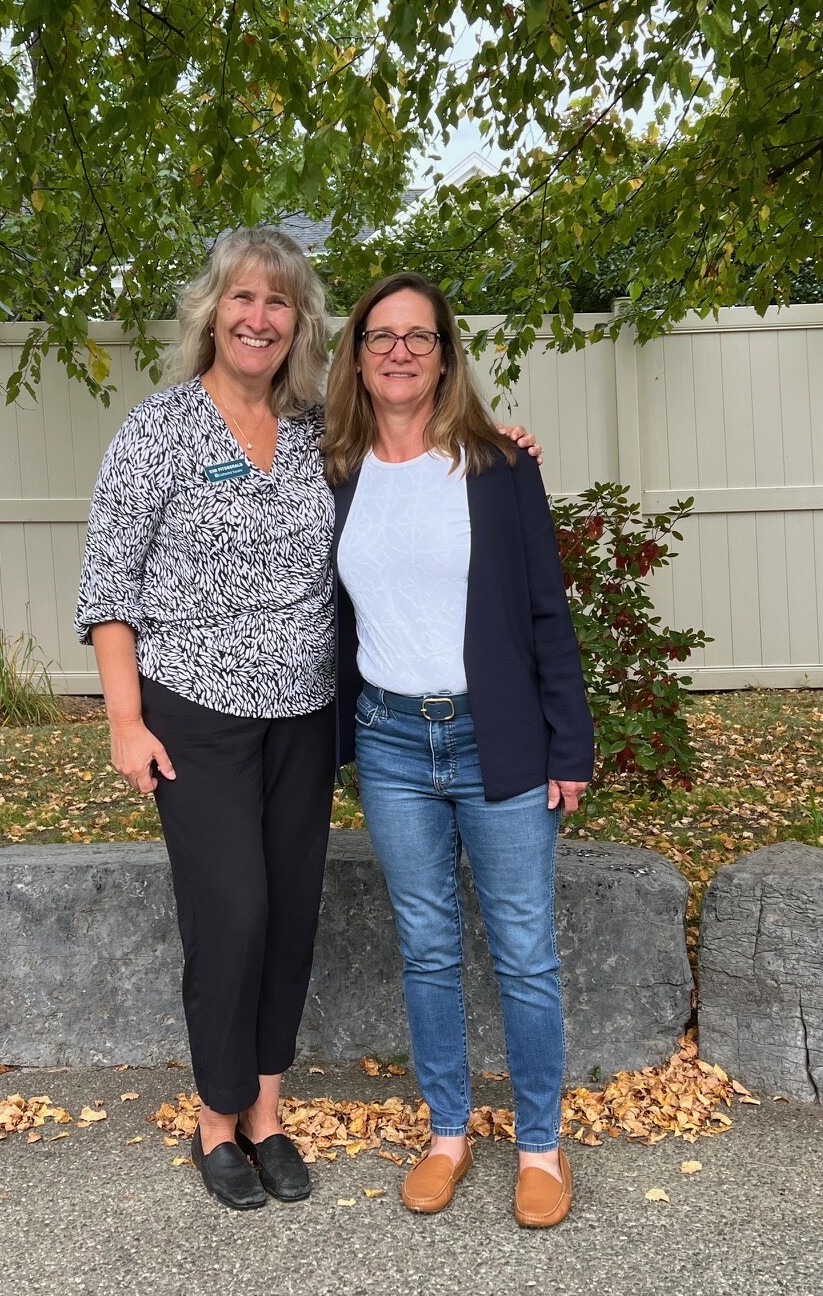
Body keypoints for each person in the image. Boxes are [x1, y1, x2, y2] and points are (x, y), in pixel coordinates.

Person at [78, 231, 544, 1211]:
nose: (257, 317)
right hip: (193, 712)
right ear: (213, 310)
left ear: (299, 324)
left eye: (278, 303)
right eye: (242, 298)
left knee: (290, 917)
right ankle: (214, 1119)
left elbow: (417, 485)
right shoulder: (156, 430)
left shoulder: (313, 436)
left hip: (304, 713)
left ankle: (266, 1113)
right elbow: (108, 584)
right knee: (232, 912)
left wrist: (507, 457)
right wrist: (125, 716)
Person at [326, 272, 595, 1229]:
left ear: (445, 354)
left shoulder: (498, 466)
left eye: (420, 335)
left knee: (523, 950)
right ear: (357, 354)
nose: (399, 350)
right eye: (381, 335)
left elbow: (544, 615)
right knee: (428, 947)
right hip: (391, 742)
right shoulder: (334, 469)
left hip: (500, 739)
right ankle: (447, 1132)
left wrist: (571, 745)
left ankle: (538, 1144)